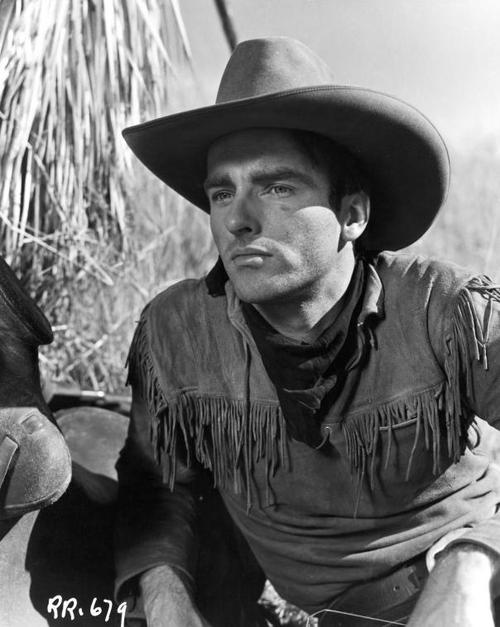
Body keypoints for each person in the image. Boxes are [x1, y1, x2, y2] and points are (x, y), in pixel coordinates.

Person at [115, 37, 500, 626]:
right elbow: (157, 482)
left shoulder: (446, 309)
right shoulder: (176, 332)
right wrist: (166, 598)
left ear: (352, 215)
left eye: (277, 187)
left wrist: (470, 562)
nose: (238, 219)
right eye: (222, 192)